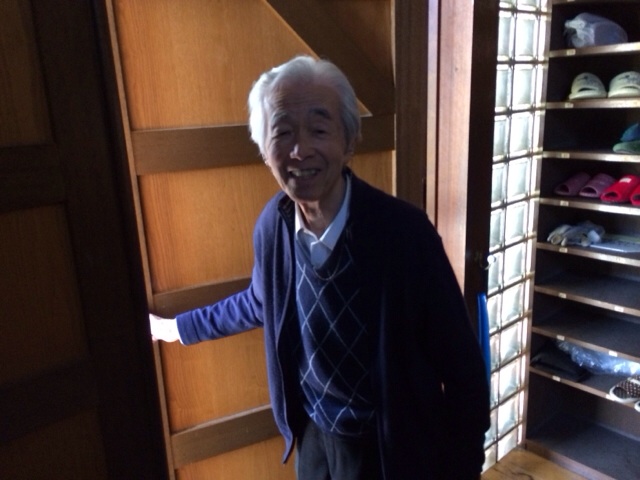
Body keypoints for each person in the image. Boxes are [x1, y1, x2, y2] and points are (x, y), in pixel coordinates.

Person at [150, 55, 490, 479]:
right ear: (264, 150)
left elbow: (462, 367)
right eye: (283, 132)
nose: (300, 149)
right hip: (314, 436)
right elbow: (259, 302)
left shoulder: (405, 235)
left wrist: (464, 468)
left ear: (349, 143)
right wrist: (176, 329)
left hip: (391, 447)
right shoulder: (273, 228)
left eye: (319, 129)